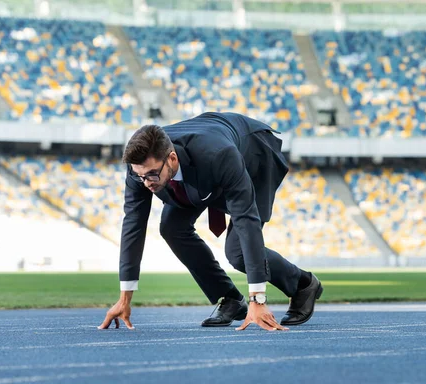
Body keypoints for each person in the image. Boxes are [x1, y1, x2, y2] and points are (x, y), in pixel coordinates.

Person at [98, 112, 323, 331]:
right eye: (140, 176)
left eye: (152, 175)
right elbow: (133, 226)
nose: (146, 183)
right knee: (172, 228)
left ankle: (303, 285)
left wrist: (259, 299)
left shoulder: (219, 156)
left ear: (172, 158)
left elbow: (247, 221)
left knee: (237, 252)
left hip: (254, 155)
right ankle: (230, 298)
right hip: (202, 164)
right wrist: (124, 298)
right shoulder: (141, 168)